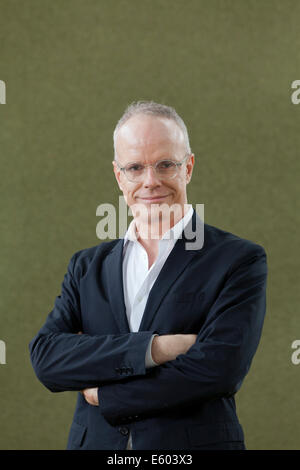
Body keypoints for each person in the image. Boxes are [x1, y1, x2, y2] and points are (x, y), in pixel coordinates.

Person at [29, 101, 268, 450]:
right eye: (135, 167)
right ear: (118, 175)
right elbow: (48, 358)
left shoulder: (238, 260)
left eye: (165, 165)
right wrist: (156, 349)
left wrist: (103, 393)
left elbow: (218, 371)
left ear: (188, 167)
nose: (150, 181)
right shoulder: (86, 266)